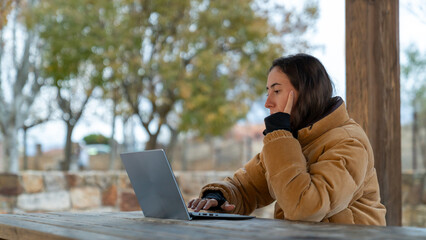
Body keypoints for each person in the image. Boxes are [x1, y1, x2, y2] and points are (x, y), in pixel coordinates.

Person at [188, 53, 386, 225]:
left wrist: (280, 134)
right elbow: (247, 187)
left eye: (276, 91)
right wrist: (219, 197)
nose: (267, 103)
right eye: (267, 92)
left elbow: (306, 209)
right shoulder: (292, 140)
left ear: (308, 93)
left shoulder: (348, 142)